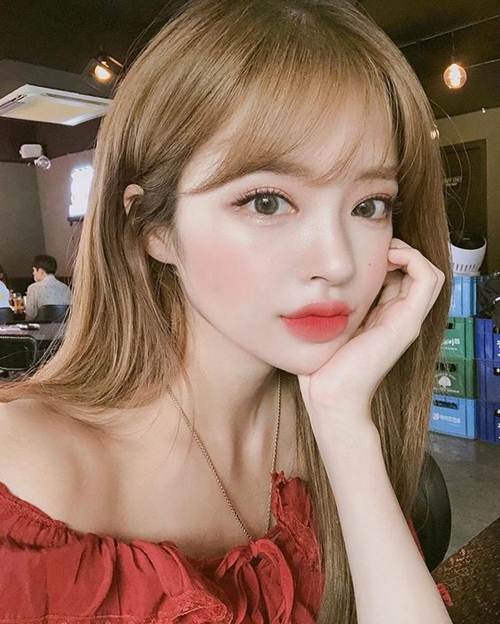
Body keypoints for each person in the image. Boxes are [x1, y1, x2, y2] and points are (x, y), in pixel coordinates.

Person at [0, 1, 453, 622]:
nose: (338, 262)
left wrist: (344, 423)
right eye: (266, 202)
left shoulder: (329, 418)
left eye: (369, 205)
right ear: (152, 229)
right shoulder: (26, 471)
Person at [24, 254, 71, 321]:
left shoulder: (33, 288)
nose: (33, 273)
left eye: (34, 270)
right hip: (64, 327)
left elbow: (29, 317)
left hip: (42, 327)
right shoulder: (66, 288)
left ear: (41, 271)